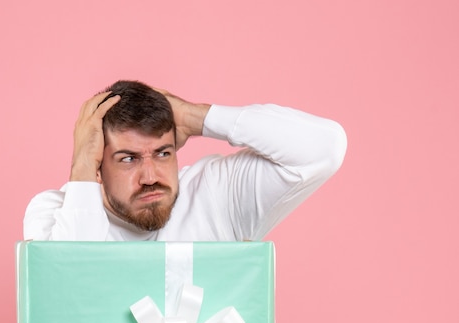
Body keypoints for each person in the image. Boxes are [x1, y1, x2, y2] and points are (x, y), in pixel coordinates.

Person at [23, 80, 347, 241]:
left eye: (163, 153)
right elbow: (67, 286)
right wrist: (81, 165)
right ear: (97, 166)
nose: (150, 176)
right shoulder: (52, 212)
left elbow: (325, 147)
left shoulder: (215, 193)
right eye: (128, 159)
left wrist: (196, 116)